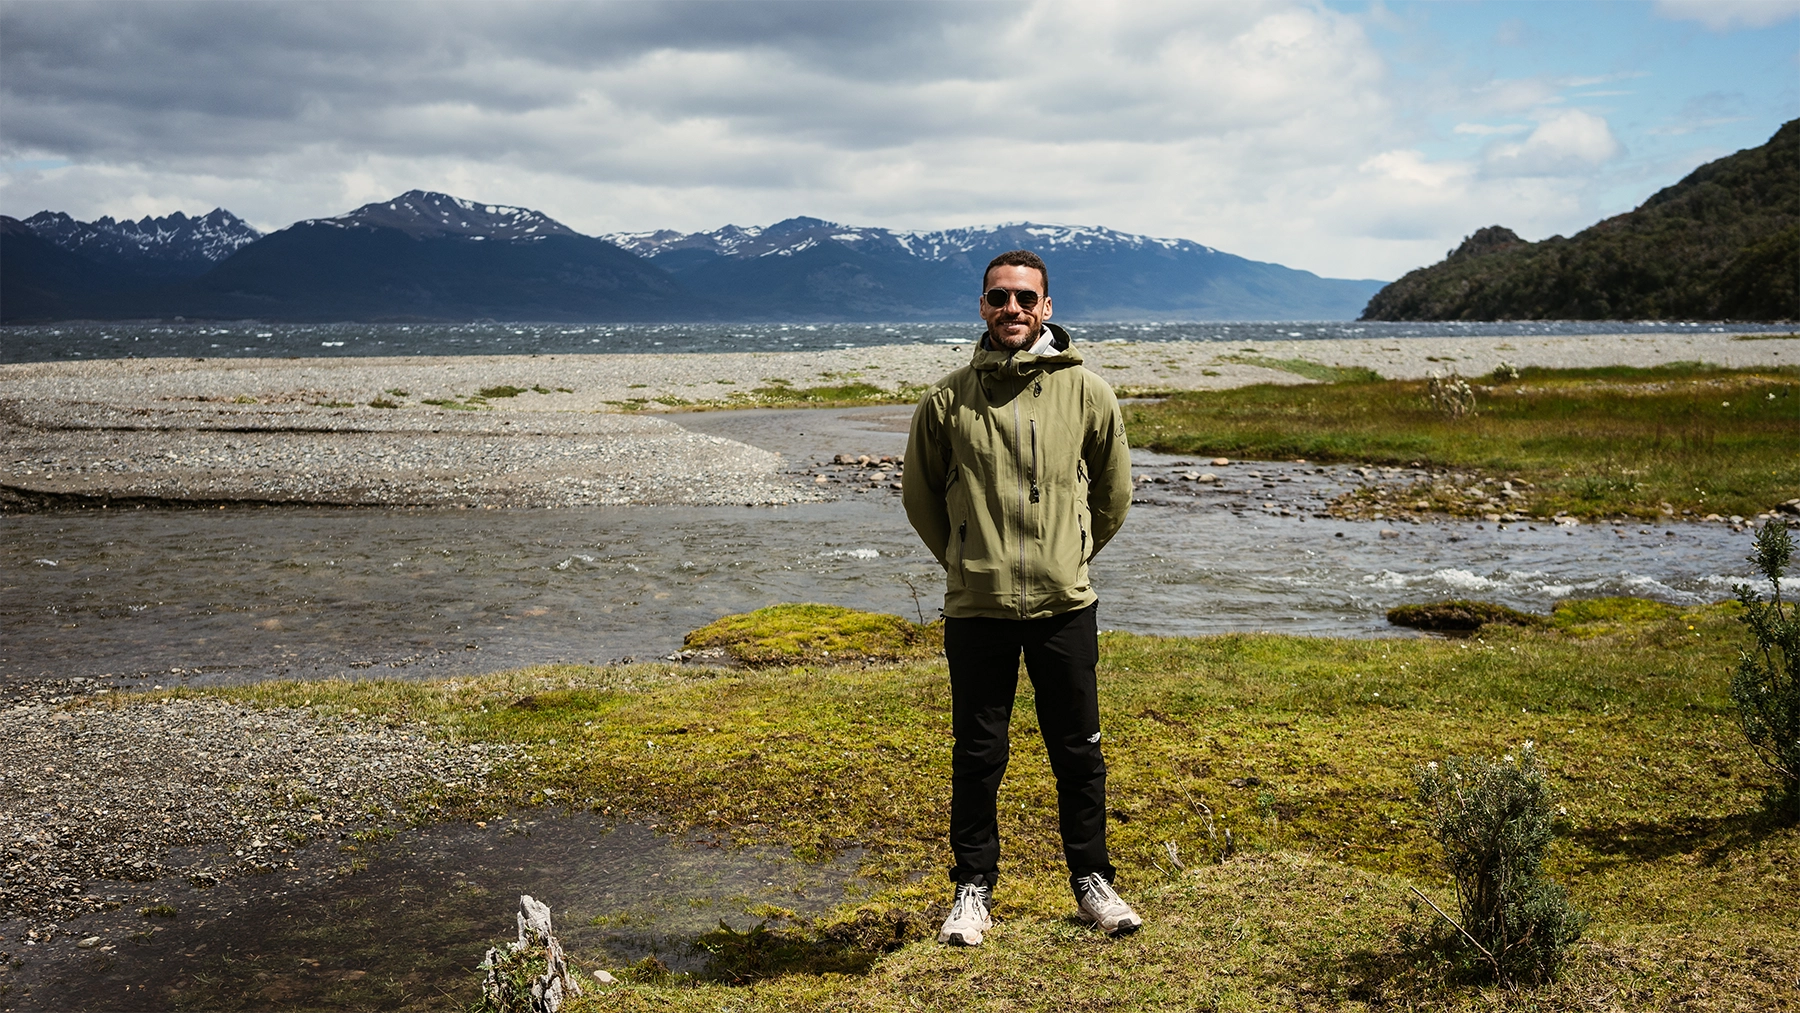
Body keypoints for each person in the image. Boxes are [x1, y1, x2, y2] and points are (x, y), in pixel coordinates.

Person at [901, 249, 1139, 946]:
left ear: (1047, 307)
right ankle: (971, 890)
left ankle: (1093, 880)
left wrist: (1073, 552)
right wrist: (965, 560)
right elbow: (921, 497)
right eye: (999, 297)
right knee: (978, 752)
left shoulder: (1089, 392)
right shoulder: (947, 400)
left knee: (1080, 749)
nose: (1012, 308)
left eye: (1024, 298)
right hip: (978, 608)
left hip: (1066, 605)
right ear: (982, 305)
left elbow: (1114, 491)